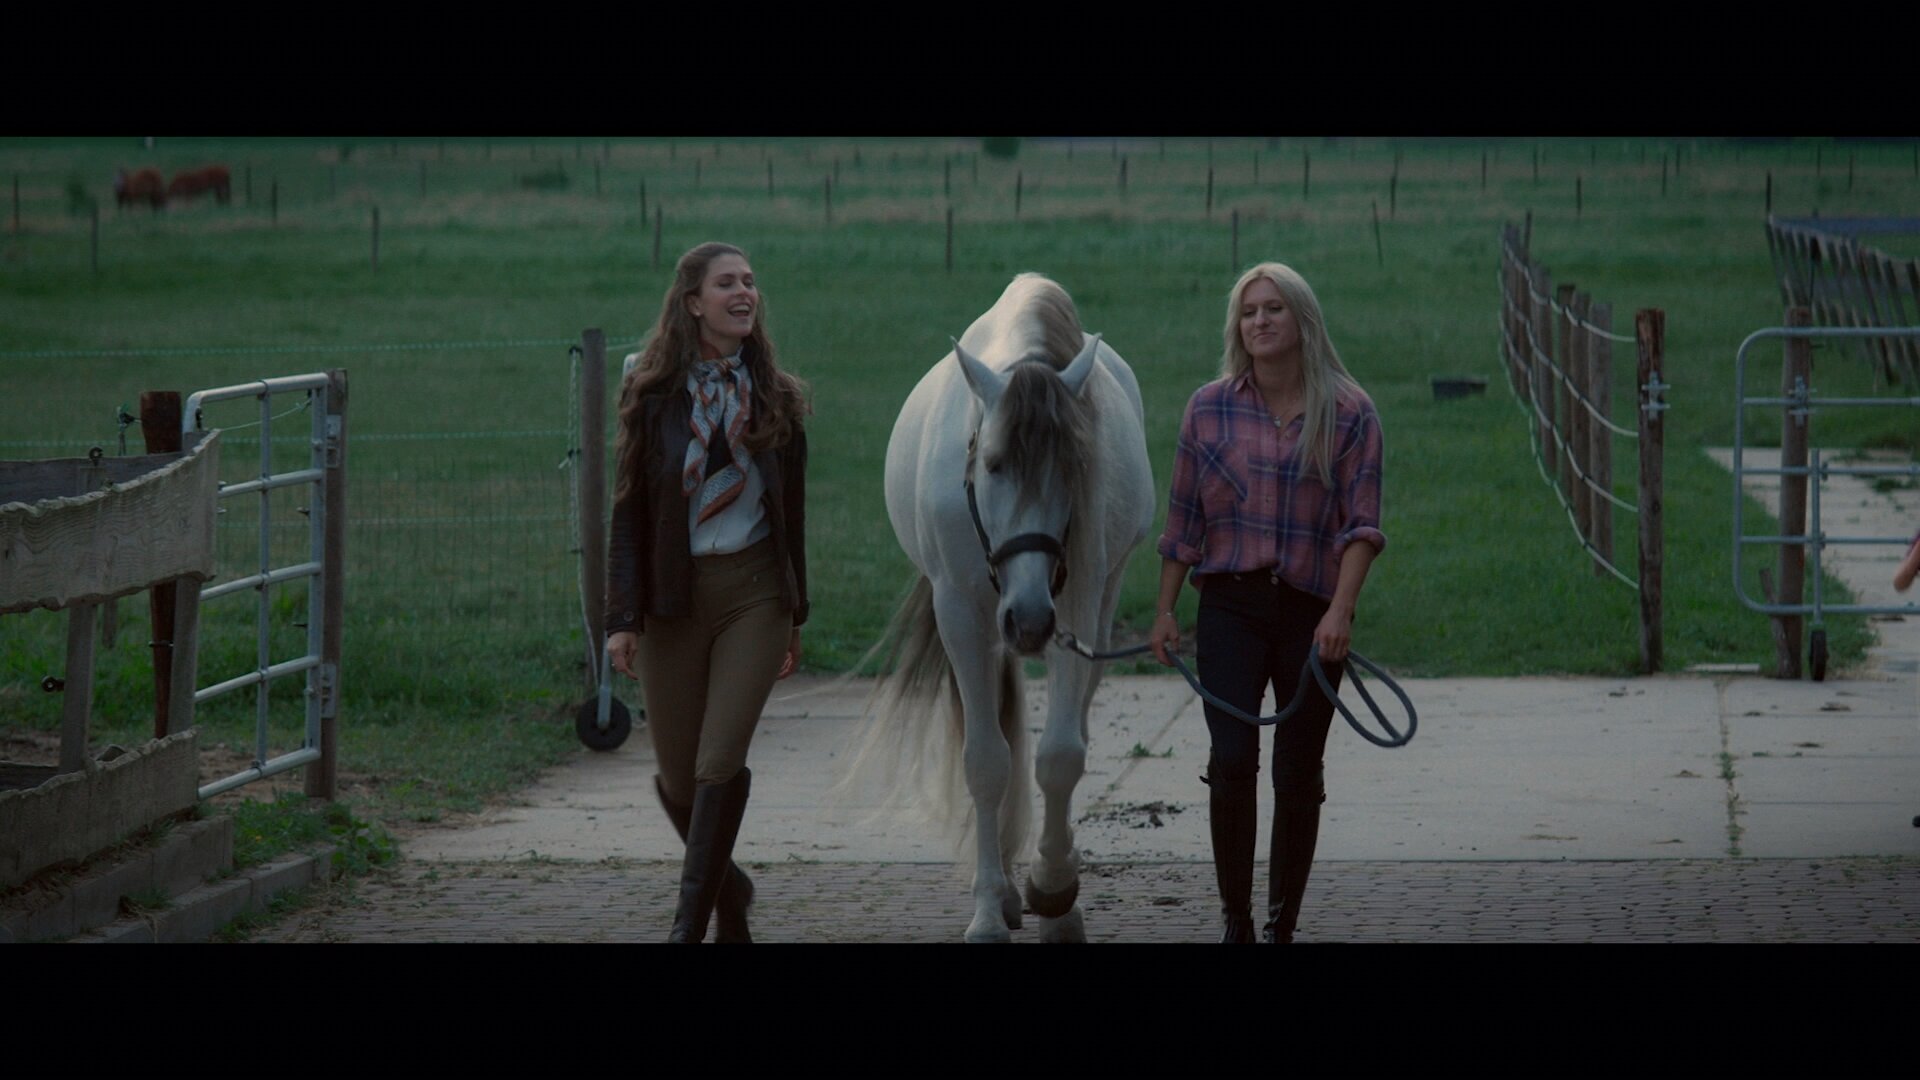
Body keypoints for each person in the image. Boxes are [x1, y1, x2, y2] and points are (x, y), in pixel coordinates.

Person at [1147, 262, 1385, 944]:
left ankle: (1283, 923)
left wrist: (1341, 612)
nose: (1260, 320)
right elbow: (1183, 523)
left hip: (1312, 611)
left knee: (1298, 769)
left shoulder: (1351, 414)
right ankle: (1237, 920)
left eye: (1274, 308)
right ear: (1237, 326)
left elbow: (1362, 527)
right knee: (1231, 760)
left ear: (1302, 320)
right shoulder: (1208, 409)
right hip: (1230, 607)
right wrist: (1165, 611)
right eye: (1249, 311)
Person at [605, 241, 809, 944]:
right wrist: (622, 617)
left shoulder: (778, 395)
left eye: (750, 281)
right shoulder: (651, 393)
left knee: (718, 762)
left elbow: (794, 518)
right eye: (726, 283)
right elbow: (628, 510)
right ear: (693, 302)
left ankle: (686, 929)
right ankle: (730, 891)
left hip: (755, 594)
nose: (744, 292)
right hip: (673, 598)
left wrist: (795, 614)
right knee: (677, 779)